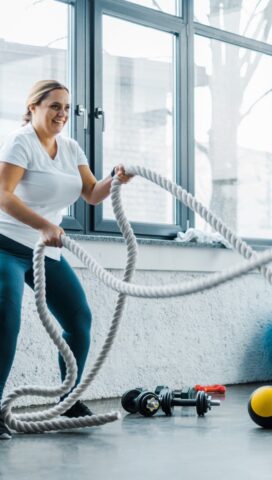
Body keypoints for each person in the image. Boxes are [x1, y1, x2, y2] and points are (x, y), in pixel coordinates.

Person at [0, 80, 132, 439]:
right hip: (7, 243)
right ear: (33, 108)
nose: (61, 114)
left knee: (78, 317)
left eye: (66, 108)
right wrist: (43, 225)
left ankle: (68, 401)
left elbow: (91, 194)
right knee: (6, 321)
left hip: (46, 250)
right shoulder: (21, 141)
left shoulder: (71, 148)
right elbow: (3, 195)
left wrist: (115, 179)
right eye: (54, 106)